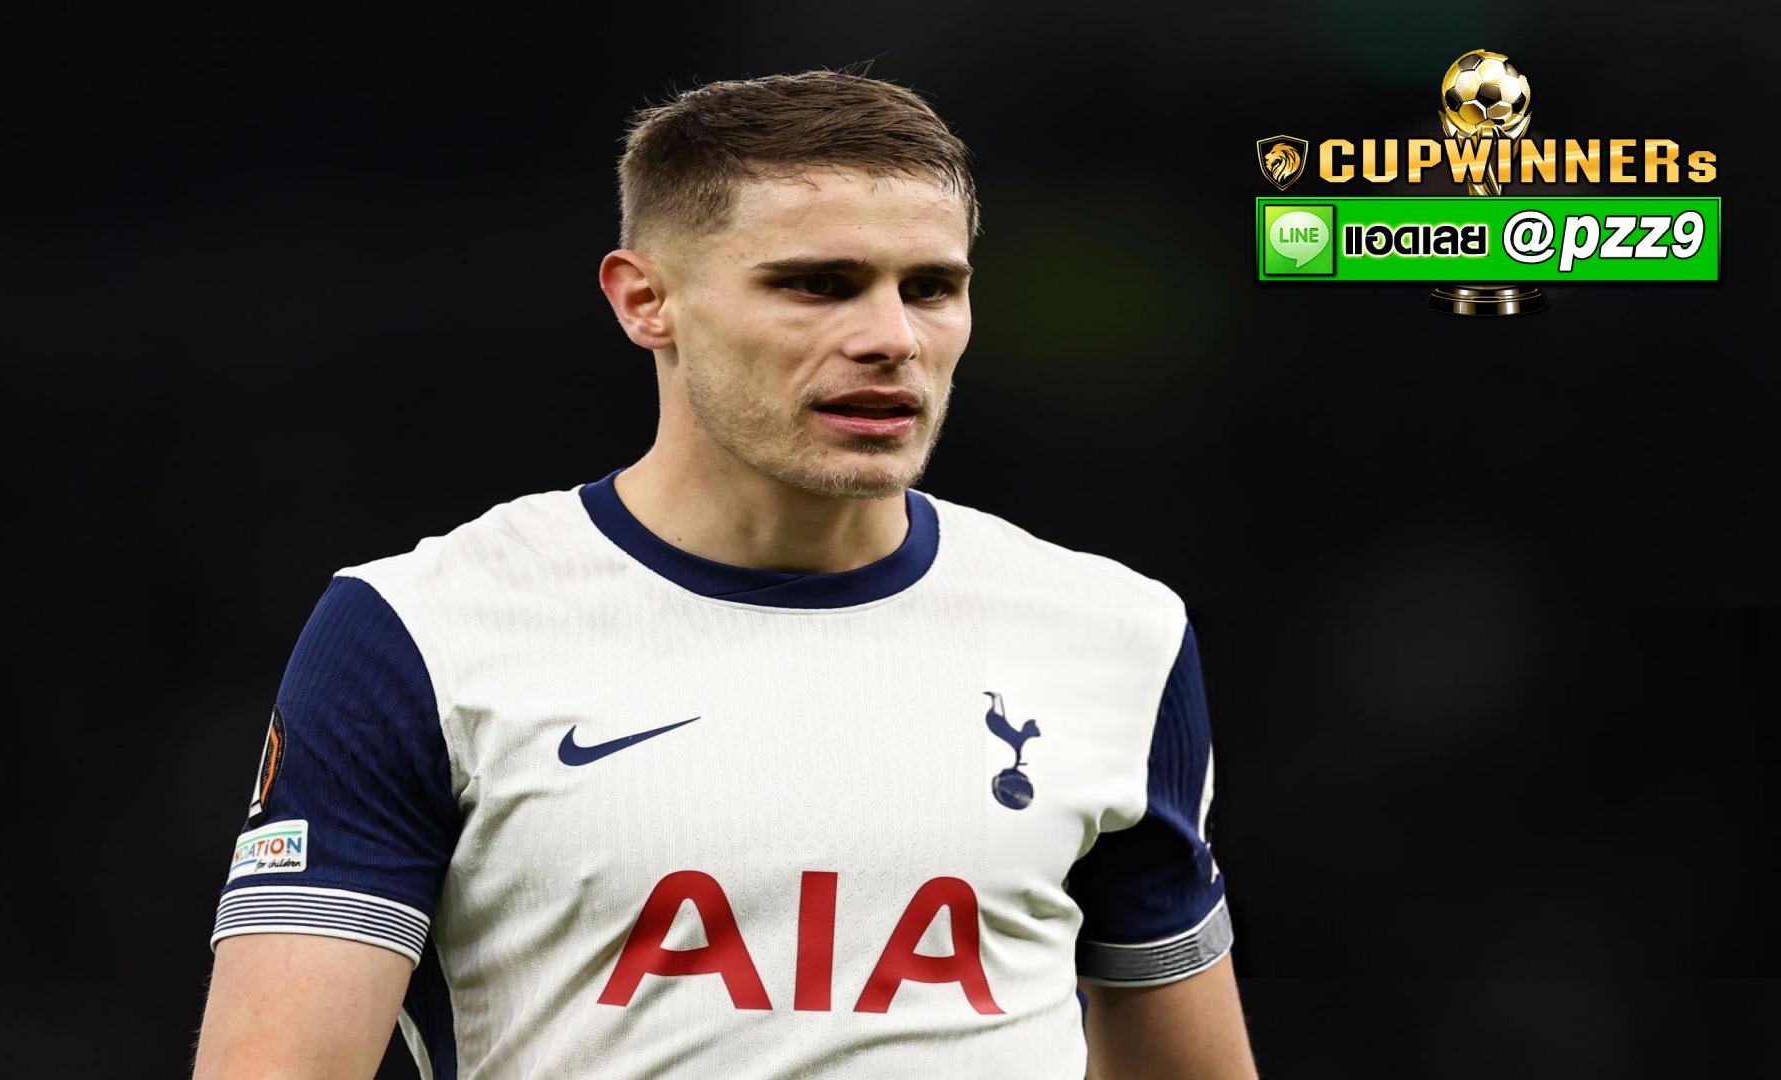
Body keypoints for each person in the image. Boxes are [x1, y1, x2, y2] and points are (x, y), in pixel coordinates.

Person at [193, 68, 1257, 1079]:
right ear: (644, 299)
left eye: (931, 288)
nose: (891, 338)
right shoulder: (424, 628)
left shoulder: (1117, 635)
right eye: (818, 285)